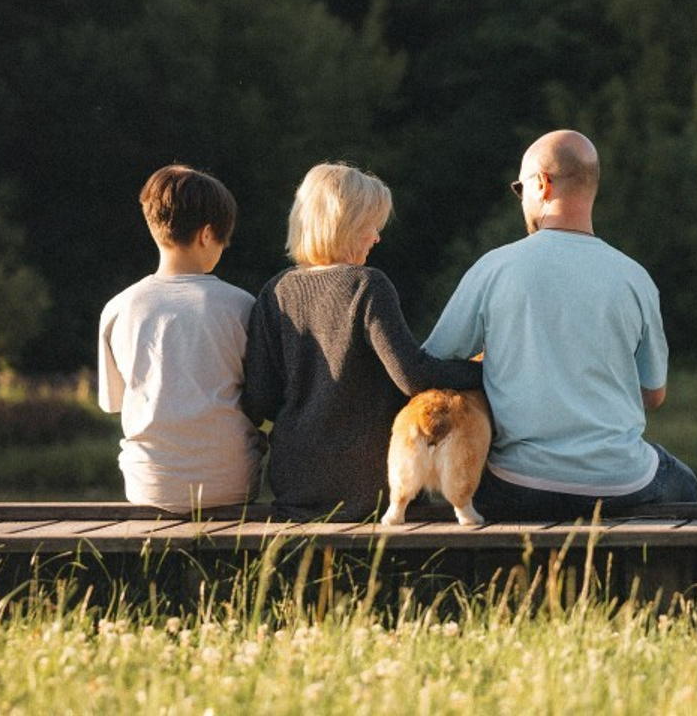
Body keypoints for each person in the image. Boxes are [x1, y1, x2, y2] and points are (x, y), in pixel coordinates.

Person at [425, 129, 697, 520]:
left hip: (517, 485)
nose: (521, 200)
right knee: (684, 482)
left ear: (542, 184)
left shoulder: (495, 268)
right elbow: (653, 395)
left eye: (521, 188)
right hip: (620, 483)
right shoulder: (635, 278)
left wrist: (495, 374)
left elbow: (431, 364)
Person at [243, 162, 483, 521]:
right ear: (347, 223)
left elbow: (259, 398)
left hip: (297, 484)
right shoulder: (367, 285)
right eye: (371, 225)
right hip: (374, 487)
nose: (377, 236)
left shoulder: (274, 292)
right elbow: (412, 376)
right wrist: (481, 371)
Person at [98, 164, 263, 513]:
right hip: (230, 484)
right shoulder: (242, 306)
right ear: (207, 235)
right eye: (223, 240)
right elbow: (261, 401)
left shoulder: (118, 308)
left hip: (150, 487)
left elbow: (114, 403)